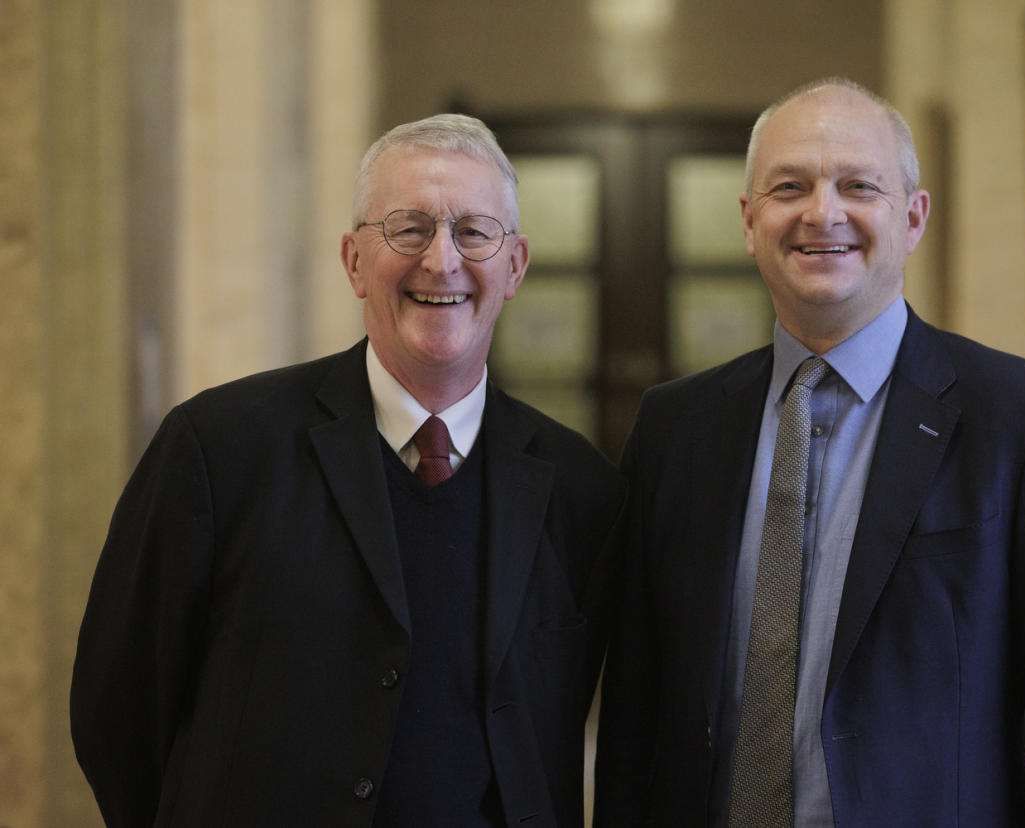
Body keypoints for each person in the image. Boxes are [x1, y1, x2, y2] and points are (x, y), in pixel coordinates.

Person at [593, 78, 1025, 827]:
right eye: (790, 187)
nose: (822, 212)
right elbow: (634, 715)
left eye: (858, 185)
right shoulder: (674, 427)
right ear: (749, 222)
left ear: (912, 217)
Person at [71, 114, 625, 828]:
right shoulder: (218, 450)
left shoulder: (581, 490)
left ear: (514, 266)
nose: (442, 260)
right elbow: (116, 711)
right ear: (354, 260)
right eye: (409, 228)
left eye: (474, 232)